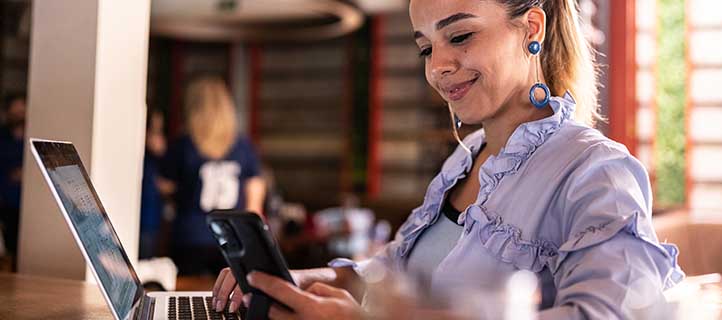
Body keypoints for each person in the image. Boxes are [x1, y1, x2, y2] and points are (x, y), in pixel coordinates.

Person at [212, 0, 684, 319]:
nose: (437, 66)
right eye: (425, 47)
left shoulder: (595, 170)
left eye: (459, 36)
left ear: (532, 28)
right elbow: (395, 273)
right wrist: (307, 278)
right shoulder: (463, 163)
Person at [160, 77, 266, 275]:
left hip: (191, 237)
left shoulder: (184, 145)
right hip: (233, 236)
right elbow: (255, 199)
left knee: (188, 294)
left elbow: (164, 185)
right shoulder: (243, 146)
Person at [0, 93, 26, 261]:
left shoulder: (32, 137)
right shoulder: (2, 138)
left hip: (27, 204)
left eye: (22, 111)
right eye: (15, 112)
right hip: (6, 203)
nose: (19, 115)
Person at [139, 109, 167, 259]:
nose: (159, 138)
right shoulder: (139, 157)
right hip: (142, 219)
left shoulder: (157, 160)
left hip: (152, 220)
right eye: (154, 131)